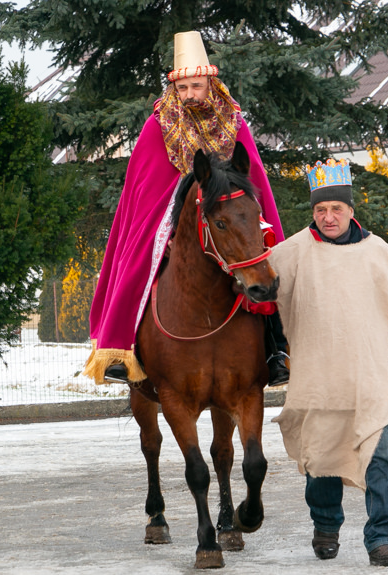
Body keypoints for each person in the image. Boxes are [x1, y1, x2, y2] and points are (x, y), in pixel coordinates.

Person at [267, 159, 388, 568]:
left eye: (336, 209)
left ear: (351, 210)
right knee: (323, 462)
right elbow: (256, 298)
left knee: (383, 460)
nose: (328, 217)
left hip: (369, 381)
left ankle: (383, 538)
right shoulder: (290, 254)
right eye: (320, 210)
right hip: (317, 380)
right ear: (312, 212)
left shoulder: (379, 253)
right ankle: (326, 527)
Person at [82, 31, 288, 386]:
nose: (190, 95)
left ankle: (276, 349)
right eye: (183, 88)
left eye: (196, 86)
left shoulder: (235, 123)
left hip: (227, 218)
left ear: (210, 82)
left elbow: (252, 179)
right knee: (138, 261)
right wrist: (168, 229)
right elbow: (145, 189)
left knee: (262, 263)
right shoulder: (156, 126)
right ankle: (124, 347)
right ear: (174, 89)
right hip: (171, 222)